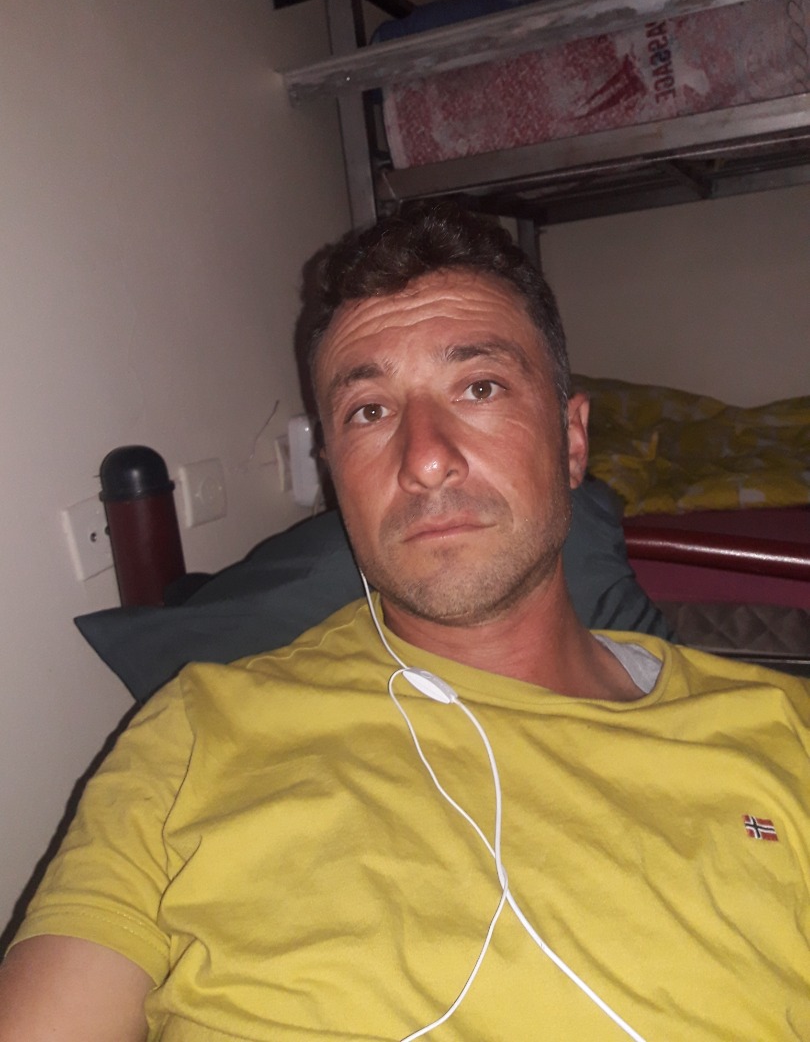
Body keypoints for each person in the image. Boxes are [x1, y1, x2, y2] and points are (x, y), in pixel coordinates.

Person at [1, 202, 808, 1042]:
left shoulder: (781, 734)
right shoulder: (196, 731)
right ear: (334, 476)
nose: (424, 458)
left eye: (480, 387)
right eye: (369, 411)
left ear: (572, 442)